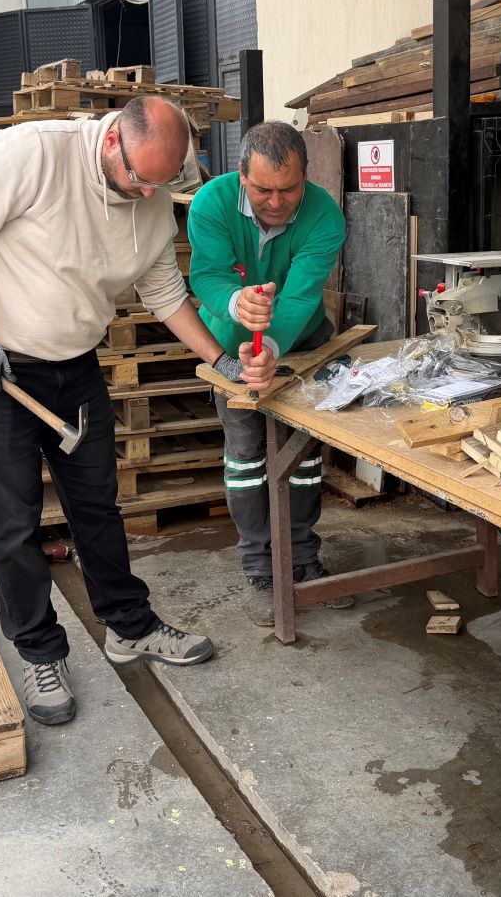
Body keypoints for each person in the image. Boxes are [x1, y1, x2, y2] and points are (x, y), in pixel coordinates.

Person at [0, 96, 276, 726]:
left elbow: (163, 290)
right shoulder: (35, 153)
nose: (147, 192)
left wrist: (220, 360)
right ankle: (40, 651)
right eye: (139, 178)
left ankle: (129, 626)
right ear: (112, 139)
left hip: (75, 366)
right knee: (14, 520)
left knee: (97, 506)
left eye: (160, 183)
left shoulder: (154, 192)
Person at [186, 121, 349, 625]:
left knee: (302, 453)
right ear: (241, 176)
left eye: (288, 189)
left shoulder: (325, 216)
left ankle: (301, 556)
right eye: (262, 190)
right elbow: (207, 275)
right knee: (246, 453)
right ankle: (260, 565)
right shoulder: (210, 203)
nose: (276, 202)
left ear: (306, 176)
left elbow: (300, 297)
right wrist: (235, 302)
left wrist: (272, 348)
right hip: (230, 343)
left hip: (301, 343)